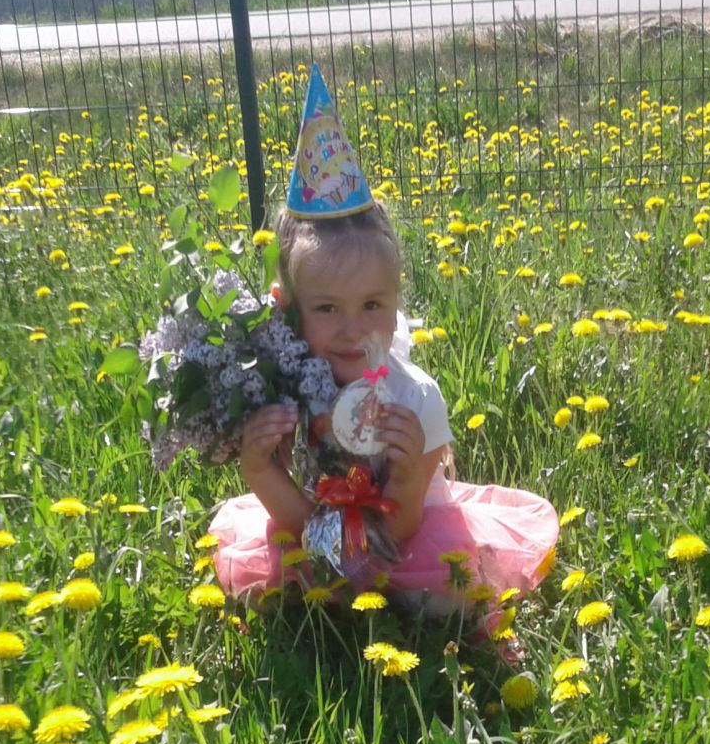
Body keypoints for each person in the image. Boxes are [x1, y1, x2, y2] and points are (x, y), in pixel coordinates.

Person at [208, 65, 558, 612]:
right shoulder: (286, 392)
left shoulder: (413, 399)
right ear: (289, 309)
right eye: (327, 309)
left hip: (405, 537)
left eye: (372, 306)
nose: (353, 329)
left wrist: (411, 471)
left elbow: (403, 527)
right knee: (283, 593)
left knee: (440, 602)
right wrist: (259, 468)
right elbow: (299, 519)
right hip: (315, 529)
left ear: (396, 308)